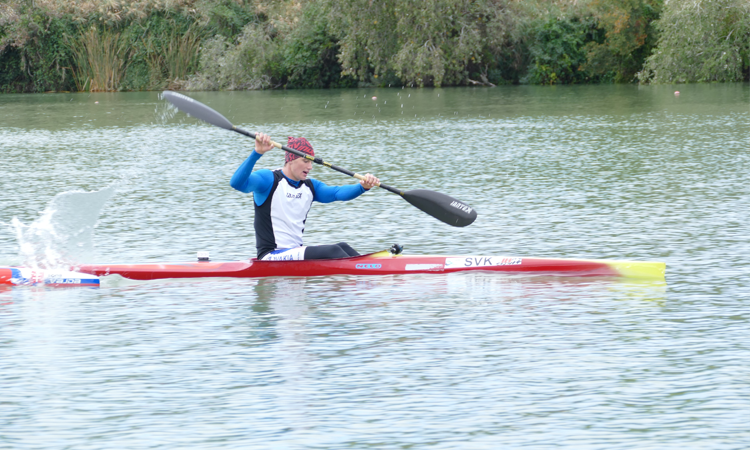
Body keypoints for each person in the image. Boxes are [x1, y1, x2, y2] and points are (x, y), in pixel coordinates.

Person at [230, 133, 379, 261]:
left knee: (343, 246)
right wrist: (257, 153)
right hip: (271, 255)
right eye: (305, 161)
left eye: (311, 162)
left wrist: (362, 187)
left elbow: (337, 193)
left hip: (294, 253)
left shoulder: (310, 186)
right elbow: (237, 183)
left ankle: (374, 268)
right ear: (290, 160)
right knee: (333, 251)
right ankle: (368, 272)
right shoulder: (269, 179)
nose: (310, 167)